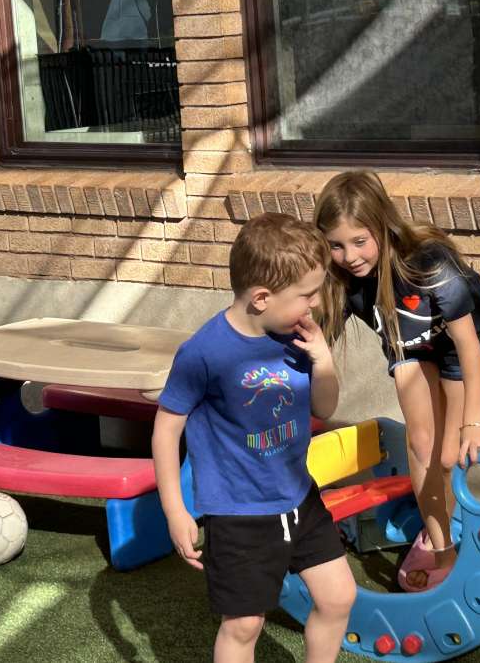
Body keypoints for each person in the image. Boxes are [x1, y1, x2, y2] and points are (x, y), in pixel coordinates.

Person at [152, 213, 357, 663]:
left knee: (339, 597)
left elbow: (324, 408)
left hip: (299, 498)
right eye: (307, 294)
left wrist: (323, 360)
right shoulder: (204, 352)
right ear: (262, 297)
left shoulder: (296, 336)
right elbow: (166, 428)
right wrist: (174, 509)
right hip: (239, 513)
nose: (317, 304)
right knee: (244, 624)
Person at [313, 171, 480, 592]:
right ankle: (439, 543)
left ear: (382, 226)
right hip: (408, 344)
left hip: (458, 342)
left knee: (449, 455)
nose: (350, 255)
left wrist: (475, 418)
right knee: (420, 442)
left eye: (360, 241)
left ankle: (443, 514)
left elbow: (468, 346)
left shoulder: (430, 262)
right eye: (336, 245)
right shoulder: (341, 278)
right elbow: (316, 343)